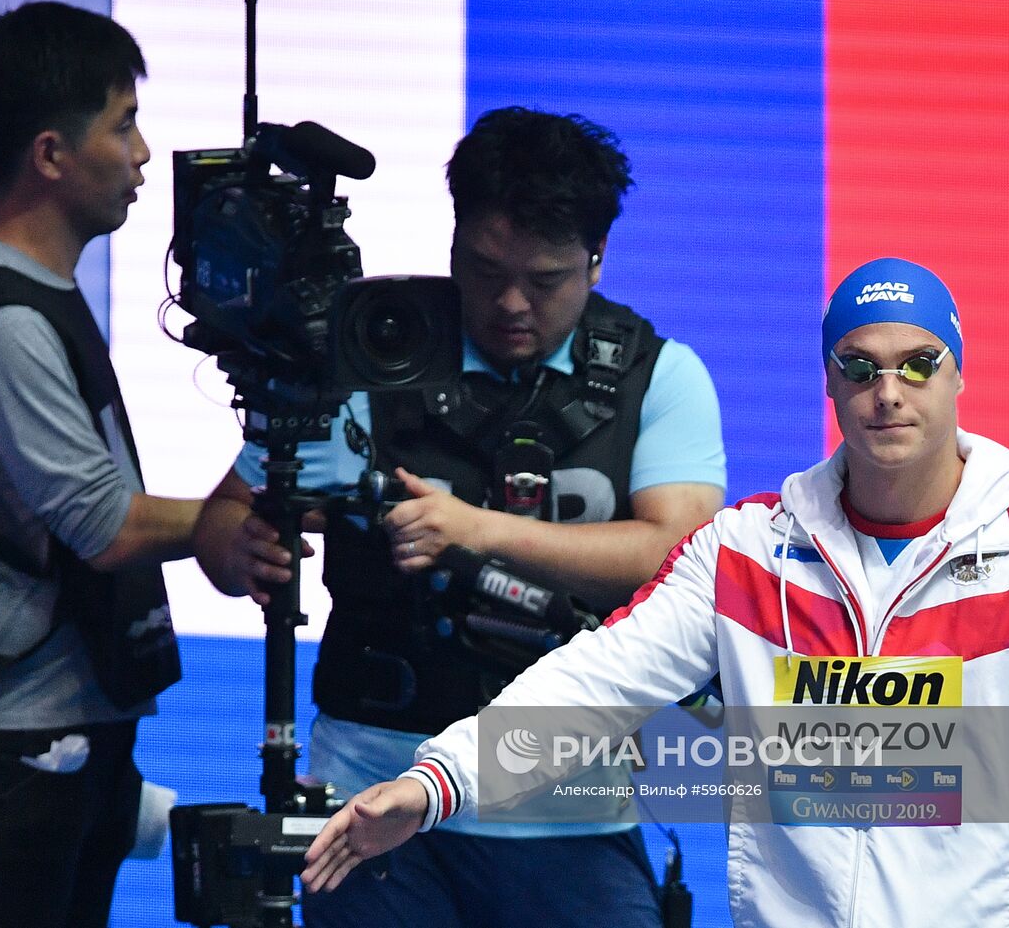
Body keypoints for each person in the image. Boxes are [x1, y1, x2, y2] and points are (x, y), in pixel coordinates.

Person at [300, 257, 1009, 927]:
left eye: (917, 364)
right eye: (859, 367)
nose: (887, 392)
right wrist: (435, 780)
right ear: (828, 383)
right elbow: (593, 683)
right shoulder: (747, 550)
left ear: (959, 374)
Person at [194, 107, 727, 926]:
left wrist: (475, 530)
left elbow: (676, 555)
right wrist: (237, 551)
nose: (511, 302)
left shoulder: (660, 376)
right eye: (483, 270)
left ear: (597, 259)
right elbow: (230, 514)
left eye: (545, 281)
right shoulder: (372, 350)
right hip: (371, 799)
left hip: (569, 806)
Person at [0, 1, 200, 928]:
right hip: (20, 755)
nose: (144, 152)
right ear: (50, 154)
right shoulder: (7, 319)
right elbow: (104, 525)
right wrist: (236, 514)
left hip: (74, 740)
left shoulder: (43, 299)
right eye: (123, 123)